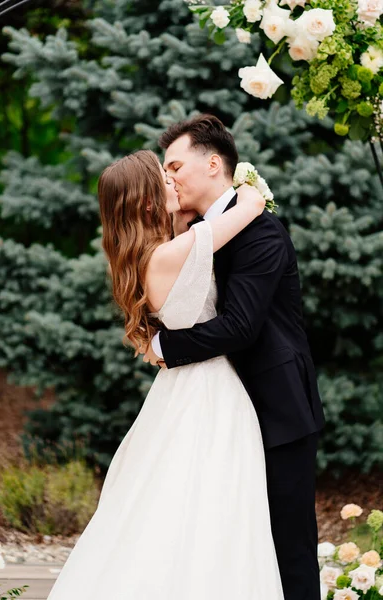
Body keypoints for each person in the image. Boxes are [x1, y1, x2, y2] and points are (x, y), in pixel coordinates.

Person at [47, 148, 285, 599]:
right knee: (218, 508)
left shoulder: (151, 254)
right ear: (148, 202)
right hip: (210, 394)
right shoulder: (176, 250)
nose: (174, 181)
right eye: (164, 177)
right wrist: (246, 181)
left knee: (172, 504)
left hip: (180, 388)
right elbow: (252, 206)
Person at [143, 114, 326, 600]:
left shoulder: (260, 232)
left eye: (176, 165)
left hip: (277, 410)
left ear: (214, 164)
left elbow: (241, 327)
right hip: (218, 413)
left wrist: (164, 347)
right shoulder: (196, 230)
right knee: (231, 547)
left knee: (288, 548)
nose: (170, 177)